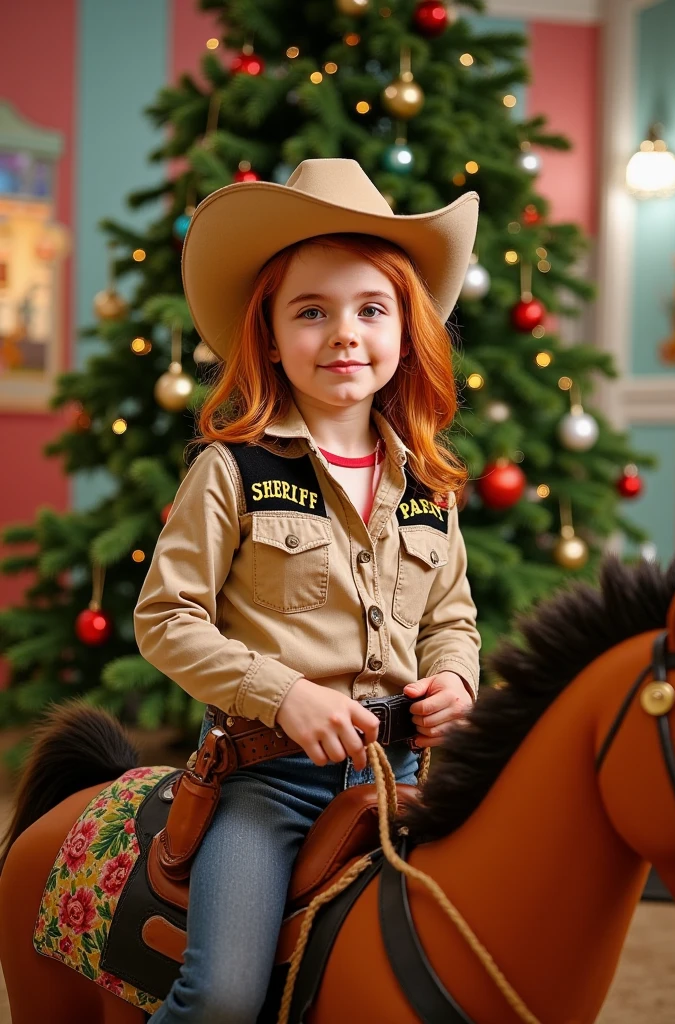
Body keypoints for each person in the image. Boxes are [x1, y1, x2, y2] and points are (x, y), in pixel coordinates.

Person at [133, 158, 482, 1023]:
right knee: (220, 995)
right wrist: (282, 694)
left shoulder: (429, 485)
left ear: (407, 329)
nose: (344, 335)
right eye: (311, 312)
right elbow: (166, 618)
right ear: (271, 332)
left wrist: (457, 680)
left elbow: (452, 617)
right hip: (271, 782)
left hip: (408, 776)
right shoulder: (233, 470)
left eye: (371, 310)